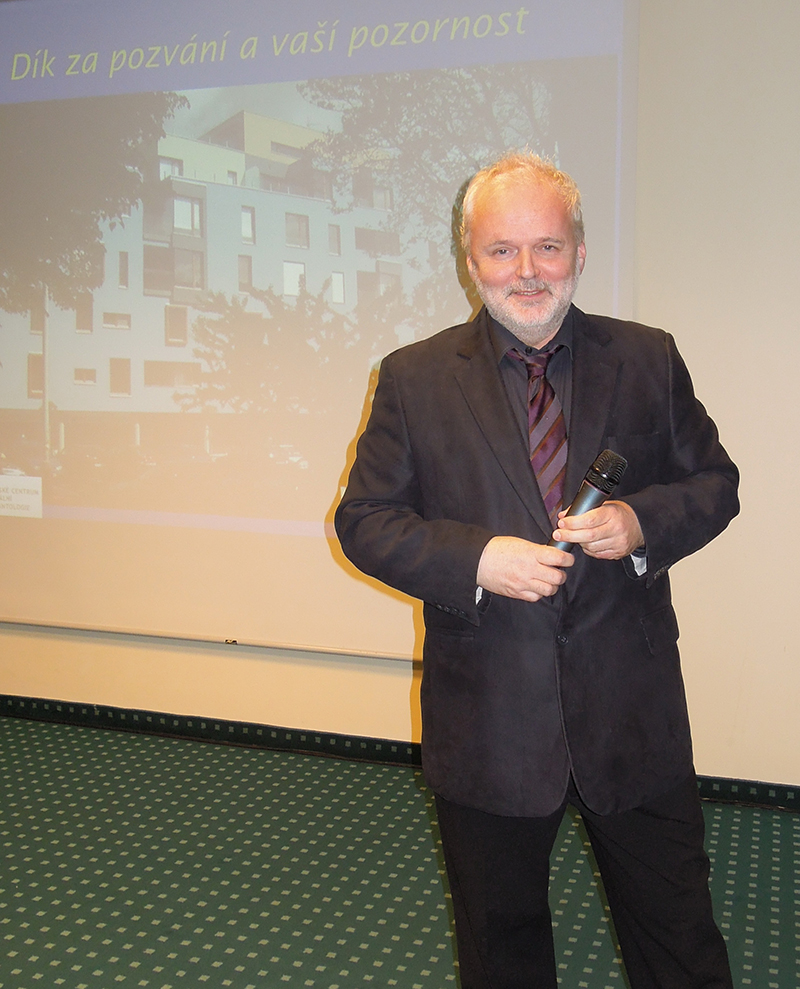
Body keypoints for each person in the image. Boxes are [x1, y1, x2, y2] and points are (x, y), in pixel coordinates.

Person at [334, 151, 739, 989]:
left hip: (633, 717)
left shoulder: (649, 357)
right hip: (489, 726)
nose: (526, 270)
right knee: (503, 953)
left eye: (547, 247)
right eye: (502, 249)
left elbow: (714, 483)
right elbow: (364, 519)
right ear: (470, 260)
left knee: (680, 943)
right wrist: (477, 558)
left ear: (579, 253)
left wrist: (640, 522)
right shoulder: (411, 378)